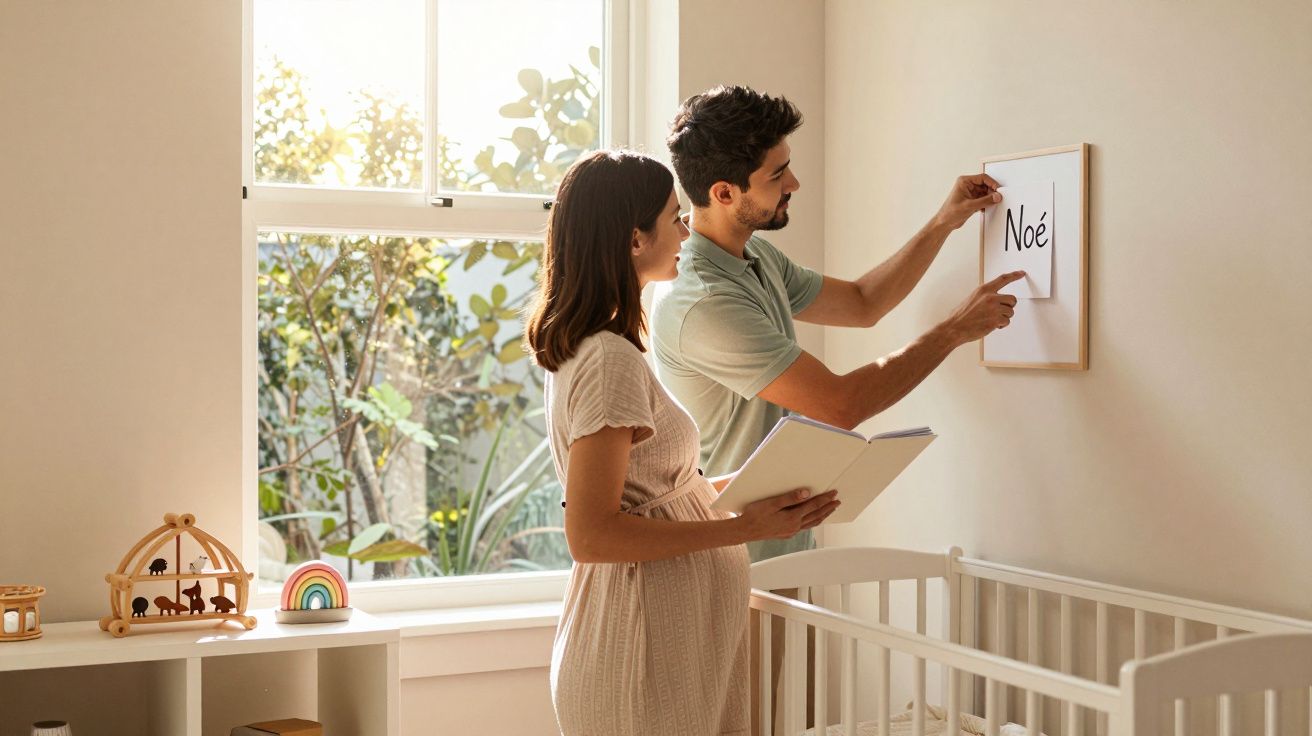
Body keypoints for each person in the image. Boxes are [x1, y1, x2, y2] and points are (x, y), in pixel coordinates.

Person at [651, 85, 1023, 733]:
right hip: (724, 554)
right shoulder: (703, 301)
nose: (794, 183)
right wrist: (954, 331)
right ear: (724, 193)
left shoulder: (754, 258)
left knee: (763, 721)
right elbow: (840, 403)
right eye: (777, 175)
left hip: (776, 542)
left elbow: (861, 303)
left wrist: (944, 221)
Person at [525, 148, 841, 736]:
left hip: (665, 648)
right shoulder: (607, 360)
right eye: (674, 218)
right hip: (640, 651)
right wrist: (745, 529)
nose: (686, 231)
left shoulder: (601, 349)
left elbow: (651, 498)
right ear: (634, 239)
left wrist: (750, 492)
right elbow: (592, 535)